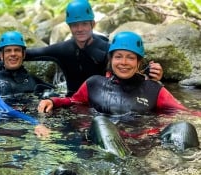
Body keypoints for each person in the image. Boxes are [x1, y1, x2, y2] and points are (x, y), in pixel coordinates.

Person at [36, 31, 200, 156]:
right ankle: (121, 163)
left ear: (138, 62)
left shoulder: (153, 89)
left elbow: (184, 112)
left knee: (184, 127)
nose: (123, 62)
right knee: (101, 122)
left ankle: (182, 167)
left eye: (130, 58)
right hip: (106, 144)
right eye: (118, 57)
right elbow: (73, 101)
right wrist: (53, 101)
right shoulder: (94, 83)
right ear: (111, 60)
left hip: (142, 146)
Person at [0, 0, 163, 97]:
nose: (79, 29)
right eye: (75, 25)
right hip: (72, 101)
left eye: (84, 24)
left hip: (102, 101)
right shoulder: (62, 49)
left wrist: (153, 74)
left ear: (93, 24)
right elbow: (29, 54)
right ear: (69, 26)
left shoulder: (108, 49)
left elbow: (132, 68)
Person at [0, 31, 55, 98]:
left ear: (24, 55)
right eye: (8, 51)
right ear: (1, 55)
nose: (13, 54)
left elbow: (57, 94)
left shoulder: (35, 82)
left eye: (17, 50)